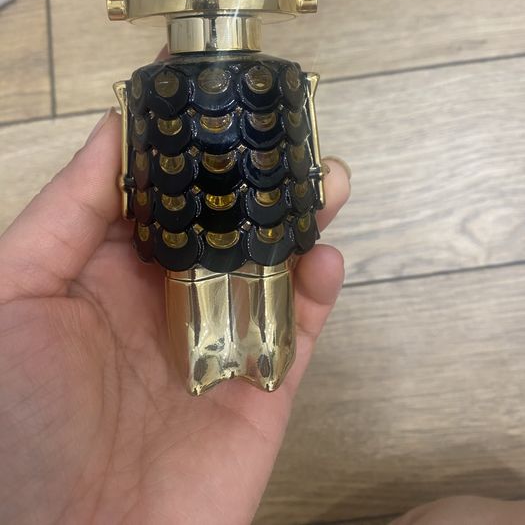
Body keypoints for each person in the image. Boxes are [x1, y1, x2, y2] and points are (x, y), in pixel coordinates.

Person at [0, 106, 521, 525]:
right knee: (232, 268)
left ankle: (243, 357)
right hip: (219, 229)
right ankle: (227, 358)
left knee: (249, 269)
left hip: (223, 227)